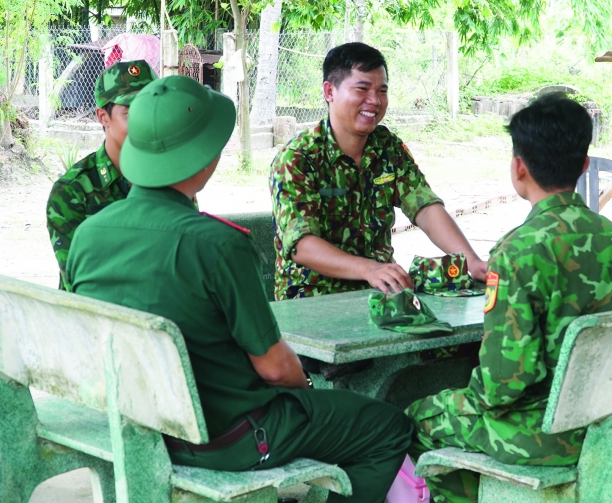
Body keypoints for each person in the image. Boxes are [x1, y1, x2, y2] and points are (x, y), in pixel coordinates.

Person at [66, 75, 413, 503]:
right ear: (204, 157)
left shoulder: (89, 234)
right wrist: (304, 389)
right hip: (229, 439)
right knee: (388, 426)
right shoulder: (218, 244)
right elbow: (274, 369)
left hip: (137, 423)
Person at [406, 94, 612, 503]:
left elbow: (503, 384)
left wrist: (469, 396)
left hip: (546, 436)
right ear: (585, 166)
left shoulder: (517, 251)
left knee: (420, 417)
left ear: (518, 167)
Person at [270, 42, 486, 301]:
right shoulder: (298, 158)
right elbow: (302, 245)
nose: (374, 100)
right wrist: (369, 269)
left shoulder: (387, 147)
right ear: (330, 91)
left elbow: (424, 207)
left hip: (379, 291)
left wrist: (471, 261)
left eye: (381, 91)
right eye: (362, 88)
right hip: (312, 298)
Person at [46, 60, 156, 289]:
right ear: (103, 117)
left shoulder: (169, 177)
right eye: (131, 113)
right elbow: (81, 282)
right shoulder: (72, 191)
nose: (144, 122)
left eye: (149, 109)